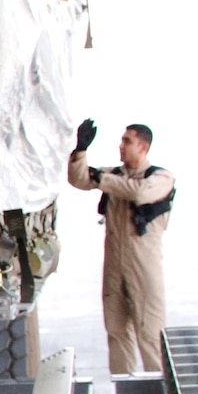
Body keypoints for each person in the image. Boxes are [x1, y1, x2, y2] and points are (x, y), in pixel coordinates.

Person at [67, 119, 176, 374]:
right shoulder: (114, 175)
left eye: (127, 141)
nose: (121, 146)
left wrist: (102, 178)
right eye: (121, 140)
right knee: (117, 331)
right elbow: (80, 180)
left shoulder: (160, 177)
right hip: (115, 267)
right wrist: (80, 151)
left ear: (143, 147)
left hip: (144, 269)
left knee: (150, 334)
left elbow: (138, 193)